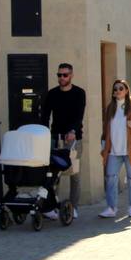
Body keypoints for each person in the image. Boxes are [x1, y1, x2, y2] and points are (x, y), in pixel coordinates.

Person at [40, 62, 86, 220]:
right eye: (59, 75)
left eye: (65, 75)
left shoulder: (79, 93)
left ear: (71, 75)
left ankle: (74, 207)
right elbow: (45, 116)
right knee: (53, 172)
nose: (62, 78)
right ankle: (52, 206)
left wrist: (73, 131)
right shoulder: (52, 93)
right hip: (55, 137)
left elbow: (79, 115)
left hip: (73, 139)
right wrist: (43, 133)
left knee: (74, 174)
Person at [99, 78, 131, 219]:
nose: (117, 91)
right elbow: (106, 128)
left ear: (127, 90)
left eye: (121, 88)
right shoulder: (111, 107)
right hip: (114, 150)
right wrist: (104, 144)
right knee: (110, 177)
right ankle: (111, 207)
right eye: (115, 89)